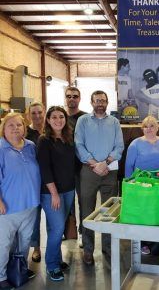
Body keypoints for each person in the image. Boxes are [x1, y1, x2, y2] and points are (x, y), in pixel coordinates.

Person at [75, 90, 124, 266]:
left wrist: (106, 162)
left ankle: (108, 247)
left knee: (110, 211)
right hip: (89, 171)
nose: (100, 103)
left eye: (103, 100)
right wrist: (95, 164)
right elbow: (79, 145)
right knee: (87, 211)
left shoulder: (115, 122)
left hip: (110, 171)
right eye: (97, 101)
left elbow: (119, 146)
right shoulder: (83, 121)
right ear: (91, 102)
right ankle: (88, 250)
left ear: (107, 102)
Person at [0, 113, 40, 290]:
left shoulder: (30, 146)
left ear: (25, 127)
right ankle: (1, 277)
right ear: (3, 129)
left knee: (24, 242)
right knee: (4, 243)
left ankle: (19, 268)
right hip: (7, 207)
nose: (16, 128)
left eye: (19, 125)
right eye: (11, 125)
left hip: (30, 204)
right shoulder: (1, 148)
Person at [37, 106, 75, 282]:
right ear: (48, 120)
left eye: (61, 116)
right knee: (58, 228)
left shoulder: (68, 138)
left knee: (56, 228)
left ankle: (58, 260)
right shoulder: (44, 140)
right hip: (52, 193)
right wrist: (54, 194)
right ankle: (52, 265)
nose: (58, 120)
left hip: (68, 190)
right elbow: (45, 169)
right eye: (54, 117)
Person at [125, 116, 159, 254]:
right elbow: (129, 165)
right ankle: (142, 242)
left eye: (152, 126)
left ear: (157, 128)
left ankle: (156, 242)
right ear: (142, 128)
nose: (149, 129)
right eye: (146, 126)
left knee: (157, 211)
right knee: (142, 212)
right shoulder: (135, 144)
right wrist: (130, 183)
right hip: (141, 183)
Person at [64, 86, 86, 246]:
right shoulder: (59, 117)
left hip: (82, 167)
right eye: (69, 96)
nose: (72, 98)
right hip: (63, 168)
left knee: (83, 202)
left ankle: (84, 235)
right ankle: (70, 231)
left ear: (79, 98)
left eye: (75, 96)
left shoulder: (85, 118)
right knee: (67, 202)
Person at [25, 102, 45, 263]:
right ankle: (36, 248)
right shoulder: (25, 133)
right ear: (28, 115)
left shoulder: (50, 129)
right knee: (35, 216)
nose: (37, 116)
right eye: (33, 113)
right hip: (33, 181)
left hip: (51, 179)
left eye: (39, 112)